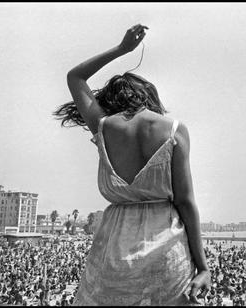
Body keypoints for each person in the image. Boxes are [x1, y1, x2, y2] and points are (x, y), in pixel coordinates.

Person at [54, 24, 210, 305]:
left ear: (113, 100)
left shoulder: (102, 127)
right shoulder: (174, 129)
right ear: (149, 96)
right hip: (167, 248)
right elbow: (186, 202)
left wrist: (122, 49)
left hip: (114, 250)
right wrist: (203, 267)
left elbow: (75, 77)